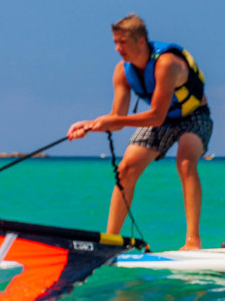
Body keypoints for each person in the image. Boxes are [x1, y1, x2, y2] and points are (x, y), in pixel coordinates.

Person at [68, 15, 212, 249]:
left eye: (123, 42)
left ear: (141, 41)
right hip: (163, 120)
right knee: (125, 169)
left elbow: (155, 115)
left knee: (186, 162)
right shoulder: (122, 72)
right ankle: (110, 241)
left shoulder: (166, 64)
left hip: (194, 116)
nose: (118, 48)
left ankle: (192, 241)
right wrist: (90, 124)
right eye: (115, 42)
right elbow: (116, 120)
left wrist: (108, 121)